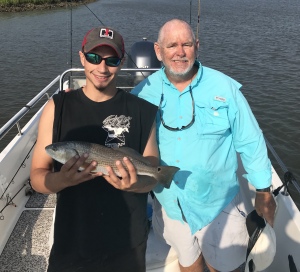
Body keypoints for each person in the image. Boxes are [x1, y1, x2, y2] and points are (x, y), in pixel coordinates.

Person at [131, 19, 277, 272]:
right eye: (172, 45)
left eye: (186, 44)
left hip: (218, 203)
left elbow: (250, 140)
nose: (180, 52)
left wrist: (264, 190)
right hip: (170, 205)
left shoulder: (225, 88)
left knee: (225, 266)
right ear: (158, 51)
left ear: (197, 47)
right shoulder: (142, 93)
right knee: (188, 262)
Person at [30, 26, 159, 272]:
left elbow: (152, 176)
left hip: (127, 243)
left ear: (121, 62)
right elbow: (37, 176)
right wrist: (62, 179)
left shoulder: (143, 111)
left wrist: (134, 184)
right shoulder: (57, 107)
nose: (102, 68)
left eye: (111, 60)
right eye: (93, 58)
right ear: (82, 57)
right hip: (72, 242)